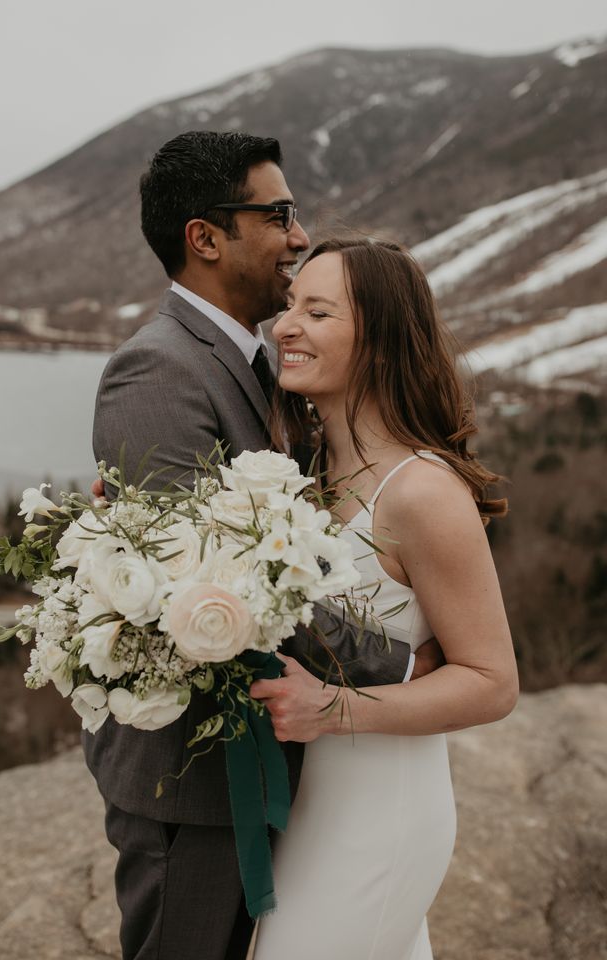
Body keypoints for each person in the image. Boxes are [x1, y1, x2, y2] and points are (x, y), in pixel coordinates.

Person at [85, 132, 438, 960]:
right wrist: (405, 664)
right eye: (276, 214)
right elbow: (226, 590)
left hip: (278, 760)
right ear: (205, 238)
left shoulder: (259, 362)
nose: (299, 234)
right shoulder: (159, 370)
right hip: (194, 784)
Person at [251, 238, 519, 960]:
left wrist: (331, 708)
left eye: (317, 311)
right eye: (287, 307)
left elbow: (493, 684)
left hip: (380, 815)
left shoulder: (424, 491)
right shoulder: (304, 471)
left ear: (378, 337)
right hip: (309, 807)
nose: (285, 327)